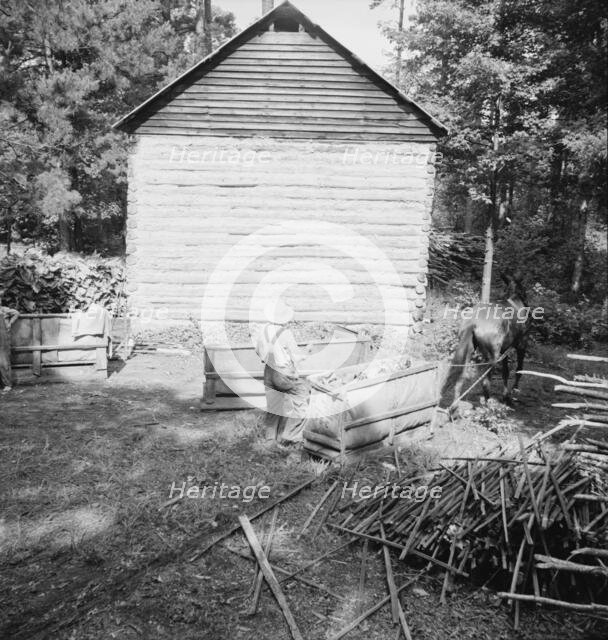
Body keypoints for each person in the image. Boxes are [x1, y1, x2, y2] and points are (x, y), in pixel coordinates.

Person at [257, 300, 312, 444]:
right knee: (302, 397)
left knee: (273, 407)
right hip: (283, 374)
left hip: (268, 372)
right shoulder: (286, 333)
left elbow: (259, 352)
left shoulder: (263, 330)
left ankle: (270, 440)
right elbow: (297, 357)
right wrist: (307, 350)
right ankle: (290, 436)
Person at [0, 304, 19, 391]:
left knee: (3, 362)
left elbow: (16, 313)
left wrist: (10, 323)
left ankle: (7, 384)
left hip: (3, 339)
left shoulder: (4, 310)